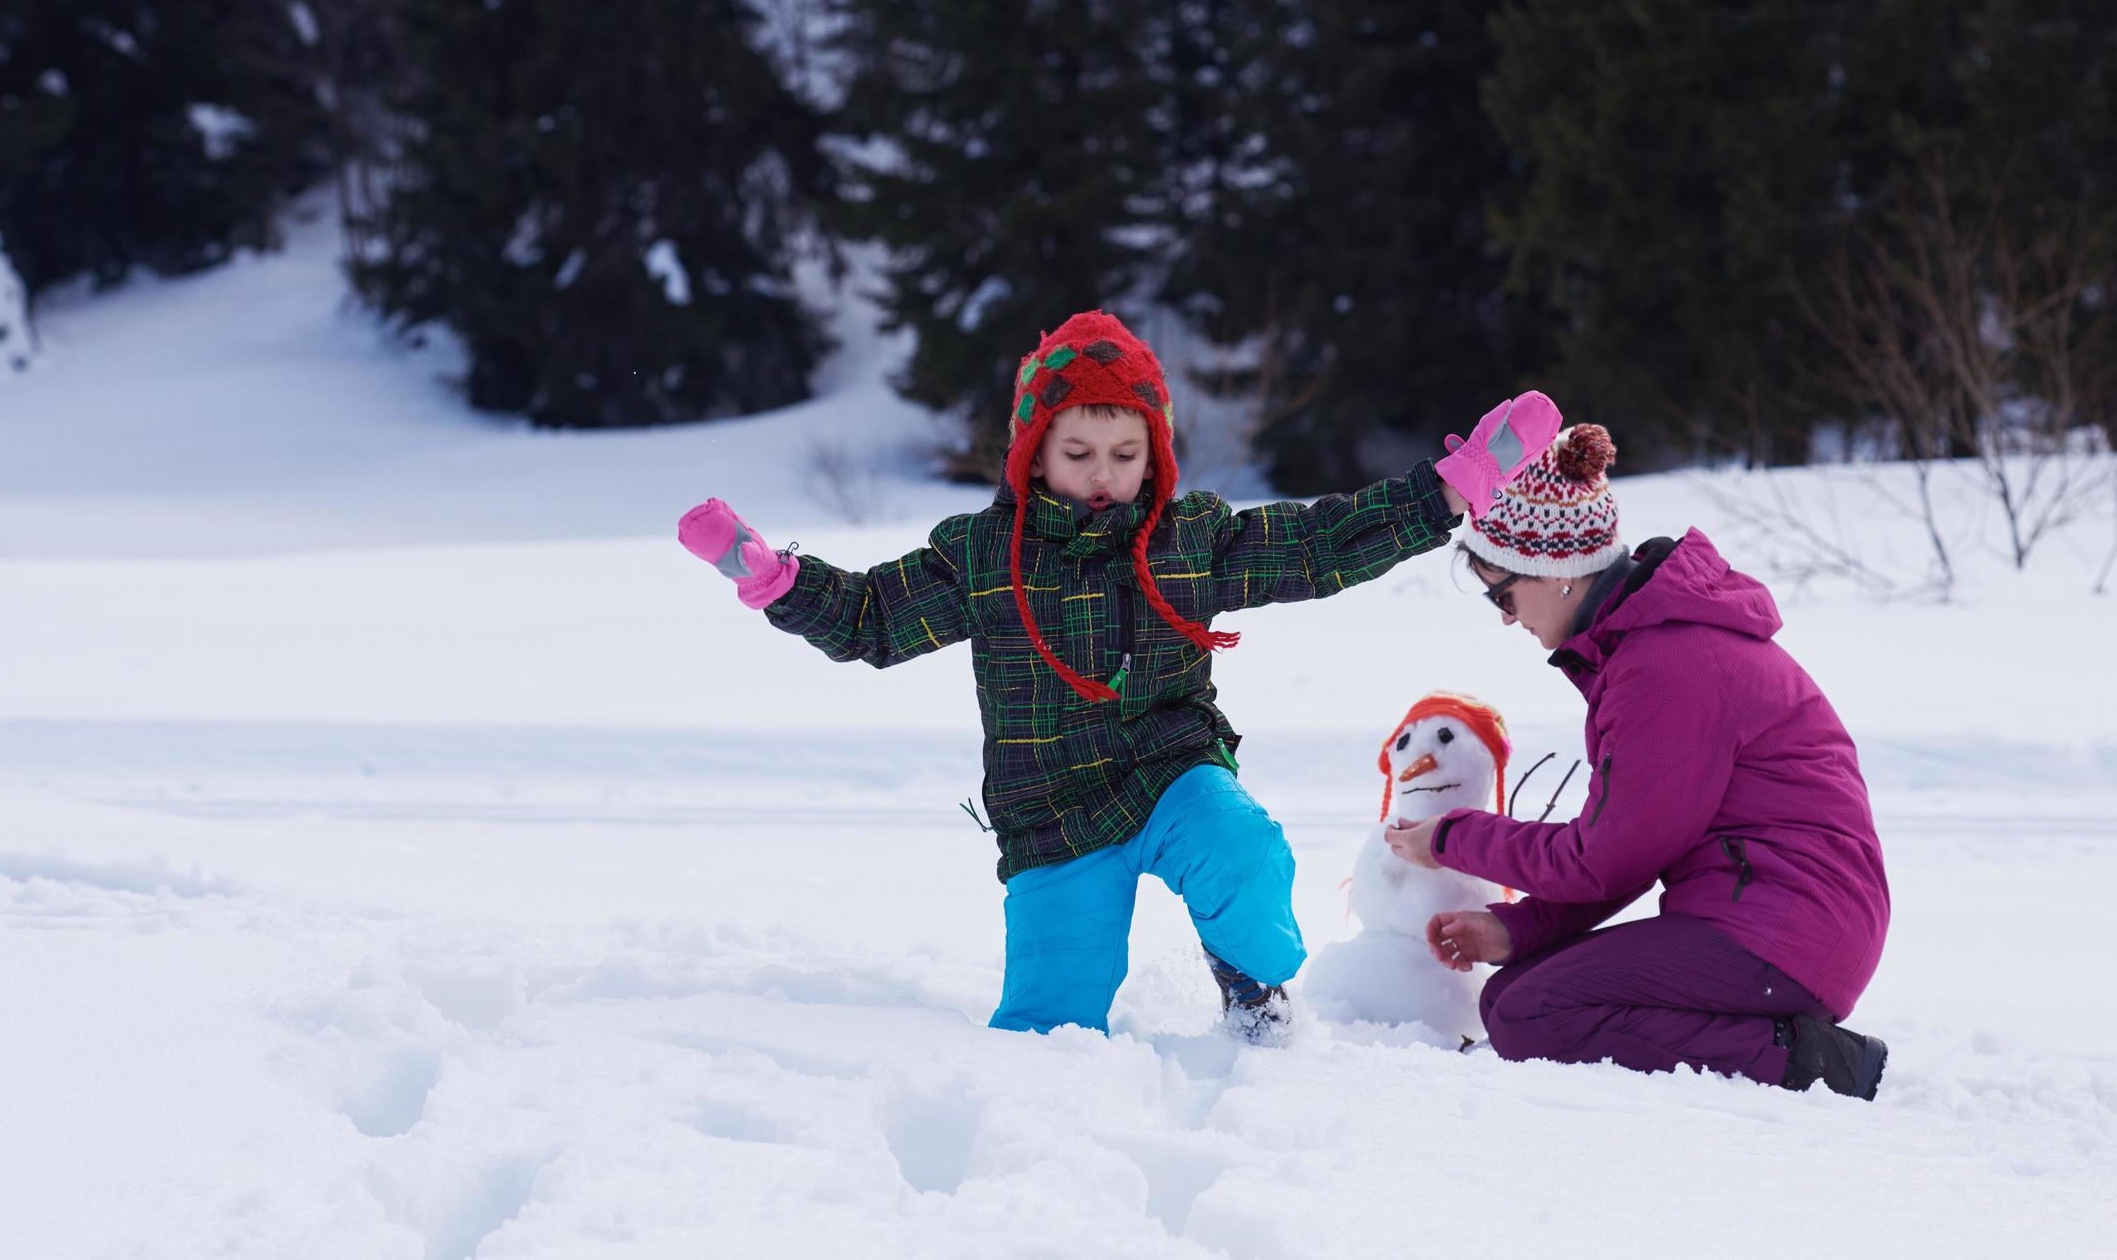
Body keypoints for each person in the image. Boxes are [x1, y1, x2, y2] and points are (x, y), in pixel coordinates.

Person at [679, 306, 1558, 1041]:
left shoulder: (1188, 539)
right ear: (1034, 452)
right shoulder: (987, 558)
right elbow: (873, 620)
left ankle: (1255, 996)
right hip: (1053, 810)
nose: (1104, 476)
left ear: (1155, 454)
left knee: (1242, 852)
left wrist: (1443, 493)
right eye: (1079, 453)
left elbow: (1315, 544)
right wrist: (776, 582)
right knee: (1048, 1029)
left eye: (1125, 454)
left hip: (1173, 769)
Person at [1381, 423, 1894, 1096]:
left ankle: (1809, 1061)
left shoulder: (1668, 665)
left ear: (1555, 570)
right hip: (1772, 925)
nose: (1506, 618)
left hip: (1784, 933)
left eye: (1502, 593)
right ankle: (1780, 1044)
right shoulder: (1646, 649)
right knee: (1516, 999)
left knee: (1529, 1012)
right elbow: (1634, 847)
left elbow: (1602, 859)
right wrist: (1521, 928)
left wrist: (1451, 837)